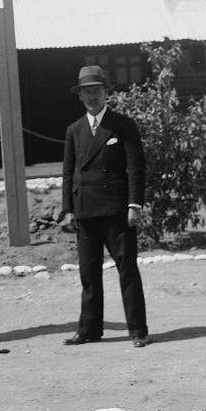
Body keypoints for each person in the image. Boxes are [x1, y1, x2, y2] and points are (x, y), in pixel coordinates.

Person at [56, 65, 150, 348]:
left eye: (96, 91)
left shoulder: (123, 125)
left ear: (105, 93)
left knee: (127, 270)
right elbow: (68, 172)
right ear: (80, 96)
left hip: (116, 210)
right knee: (89, 273)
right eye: (86, 92)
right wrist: (68, 208)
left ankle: (138, 330)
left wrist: (135, 205)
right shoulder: (74, 129)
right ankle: (89, 329)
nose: (92, 97)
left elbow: (136, 168)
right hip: (85, 211)